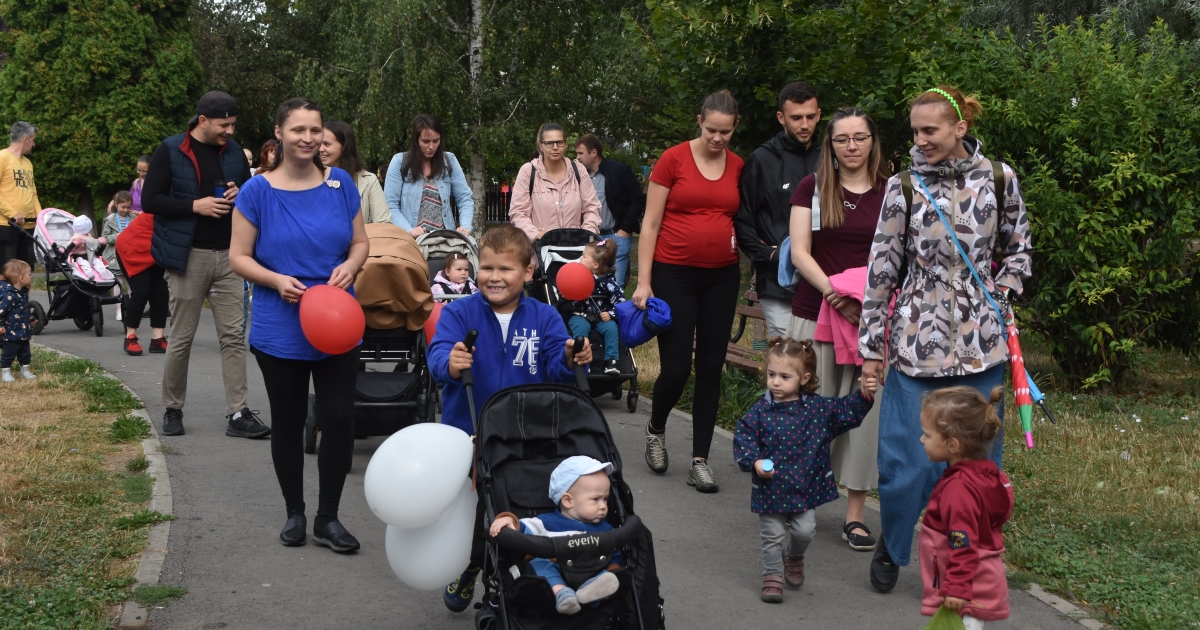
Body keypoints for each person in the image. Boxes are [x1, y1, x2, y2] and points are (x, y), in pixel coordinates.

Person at [859, 85, 1031, 593]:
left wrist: (999, 295)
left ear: (960, 128)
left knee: (977, 467)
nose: (920, 139)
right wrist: (873, 349)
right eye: (915, 131)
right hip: (916, 347)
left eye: (929, 130)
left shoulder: (999, 179)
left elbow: (1019, 249)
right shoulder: (904, 186)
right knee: (906, 464)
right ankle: (893, 547)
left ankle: (966, 560)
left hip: (982, 350)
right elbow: (880, 270)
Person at [230, 97, 370, 553]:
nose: (308, 139)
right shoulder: (257, 192)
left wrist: (351, 266)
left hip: (338, 321)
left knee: (338, 418)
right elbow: (238, 257)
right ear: (280, 134)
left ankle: (328, 518)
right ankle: (295, 511)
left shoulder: (342, 184)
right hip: (280, 324)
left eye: (315, 130)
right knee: (288, 422)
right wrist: (275, 280)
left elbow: (361, 243)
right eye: (298, 130)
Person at [428, 224, 592, 612]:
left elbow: (556, 364)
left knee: (519, 511)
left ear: (528, 272)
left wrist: (570, 357)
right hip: (469, 432)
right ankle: (468, 565)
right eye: (486, 268)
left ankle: (513, 581)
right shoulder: (459, 312)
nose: (494, 277)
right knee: (472, 515)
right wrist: (450, 363)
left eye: (505, 269)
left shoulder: (545, 316)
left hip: (527, 434)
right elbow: (436, 358)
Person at [787, 107, 891, 552]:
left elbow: (897, 257)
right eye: (842, 139)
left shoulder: (892, 192)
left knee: (864, 416)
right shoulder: (813, 188)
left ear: (873, 142)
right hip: (817, 316)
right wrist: (835, 296)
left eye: (860, 137)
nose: (852, 146)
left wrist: (865, 305)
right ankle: (799, 500)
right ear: (829, 145)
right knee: (808, 412)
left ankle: (854, 514)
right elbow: (799, 253)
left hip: (872, 323)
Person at [632, 90, 744, 493]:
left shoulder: (738, 166)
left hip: (721, 276)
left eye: (725, 132)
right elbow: (650, 224)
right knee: (677, 368)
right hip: (673, 274)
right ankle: (656, 428)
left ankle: (700, 460)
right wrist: (644, 282)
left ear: (734, 128)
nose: (717, 138)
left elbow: (742, 217)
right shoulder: (673, 159)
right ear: (699, 121)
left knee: (711, 368)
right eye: (711, 129)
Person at [141, 91, 265, 439]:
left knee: (233, 338)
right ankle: (173, 409)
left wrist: (240, 193)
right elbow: (150, 200)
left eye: (233, 124)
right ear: (203, 120)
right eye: (224, 124)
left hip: (230, 254)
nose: (229, 130)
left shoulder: (235, 152)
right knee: (181, 337)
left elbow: (249, 193)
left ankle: (238, 413)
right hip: (188, 255)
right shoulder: (170, 150)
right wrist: (195, 206)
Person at [733, 338, 876, 603]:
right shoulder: (761, 411)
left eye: (784, 376)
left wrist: (865, 395)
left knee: (805, 531)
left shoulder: (817, 408)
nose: (775, 382)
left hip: (804, 488)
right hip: (771, 488)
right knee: (772, 534)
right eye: (771, 374)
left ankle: (794, 556)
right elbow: (744, 436)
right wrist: (753, 462)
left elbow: (846, 411)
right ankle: (772, 575)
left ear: (803, 377)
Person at [918, 386, 1013, 629]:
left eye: (927, 435)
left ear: (953, 444)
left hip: (966, 589)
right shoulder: (988, 475)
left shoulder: (958, 488)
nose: (922, 440)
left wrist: (958, 588)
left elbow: (962, 540)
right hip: (979, 580)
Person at [735, 82, 822, 337]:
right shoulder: (761, 160)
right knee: (789, 363)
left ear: (819, 114)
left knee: (819, 367)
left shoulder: (830, 157)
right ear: (781, 118)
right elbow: (742, 221)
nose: (804, 125)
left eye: (810, 116)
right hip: (777, 286)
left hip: (824, 282)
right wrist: (769, 256)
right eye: (796, 118)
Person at [488, 456, 623, 615]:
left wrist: (613, 571)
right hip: (555, 572)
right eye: (596, 499)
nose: (603, 506)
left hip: (587, 571)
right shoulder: (548, 523)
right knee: (541, 563)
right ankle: (561, 592)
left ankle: (592, 592)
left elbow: (614, 555)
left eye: (605, 499)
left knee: (602, 567)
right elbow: (522, 527)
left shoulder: (605, 529)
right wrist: (507, 519)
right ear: (567, 501)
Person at [384, 114, 474, 236]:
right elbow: (390, 205)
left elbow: (464, 198)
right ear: (416, 140)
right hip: (411, 242)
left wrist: (465, 226)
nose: (431, 147)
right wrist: (409, 230)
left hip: (444, 242)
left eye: (436, 141)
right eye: (426, 141)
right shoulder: (400, 162)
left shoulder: (449, 160)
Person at [509, 123, 601, 242]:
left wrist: (585, 234)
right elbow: (518, 212)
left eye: (559, 142)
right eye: (549, 143)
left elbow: (592, 207)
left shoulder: (578, 170)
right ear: (540, 146)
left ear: (566, 145)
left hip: (576, 249)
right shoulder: (528, 171)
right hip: (541, 250)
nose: (555, 147)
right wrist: (535, 234)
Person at [574, 134, 645, 287]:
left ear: (593, 152)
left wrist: (625, 228)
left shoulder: (619, 170)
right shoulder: (578, 175)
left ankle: (615, 312)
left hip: (616, 234)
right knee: (589, 284)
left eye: (580, 153)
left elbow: (638, 199)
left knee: (615, 285)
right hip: (591, 237)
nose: (577, 157)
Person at [559, 239, 625, 374]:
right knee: (580, 327)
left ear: (595, 264)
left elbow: (621, 301)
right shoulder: (578, 277)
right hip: (580, 314)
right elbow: (567, 290)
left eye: (583, 256)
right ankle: (581, 359)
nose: (580, 259)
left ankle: (611, 361)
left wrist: (611, 314)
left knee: (611, 328)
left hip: (601, 317)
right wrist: (566, 295)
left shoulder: (609, 282)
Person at [115, 211, 169, 356]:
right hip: (133, 247)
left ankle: (158, 339)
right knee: (141, 291)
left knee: (161, 292)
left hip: (157, 248)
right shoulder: (165, 200)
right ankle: (130, 337)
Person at [321, 120, 390, 224]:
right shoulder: (307, 177)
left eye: (327, 144)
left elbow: (383, 223)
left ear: (344, 147)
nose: (320, 149)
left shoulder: (368, 180)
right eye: (318, 144)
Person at [0, 122, 42, 268]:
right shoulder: (2, 157)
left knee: (26, 270)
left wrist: (41, 217)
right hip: (6, 226)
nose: (34, 144)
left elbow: (33, 194)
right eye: (33, 139)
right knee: (6, 272)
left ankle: (23, 292)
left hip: (28, 227)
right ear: (25, 140)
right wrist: (12, 213)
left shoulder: (28, 163)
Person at [102, 190, 135, 321]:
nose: (126, 210)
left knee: (132, 283)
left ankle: (132, 308)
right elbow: (104, 237)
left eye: (128, 207)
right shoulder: (109, 220)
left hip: (131, 255)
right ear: (116, 204)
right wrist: (117, 237)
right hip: (115, 256)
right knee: (118, 283)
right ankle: (119, 309)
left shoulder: (133, 218)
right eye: (123, 207)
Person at [0, 259, 35, 382]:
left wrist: (31, 318)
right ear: (21, 278)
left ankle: (24, 370)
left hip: (23, 332)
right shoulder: (9, 295)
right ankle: (5, 371)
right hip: (10, 334)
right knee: (8, 354)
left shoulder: (22, 293)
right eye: (29, 275)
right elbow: (1, 311)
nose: (31, 277)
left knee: (25, 354)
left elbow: (23, 310)